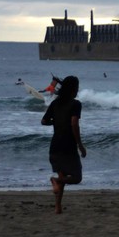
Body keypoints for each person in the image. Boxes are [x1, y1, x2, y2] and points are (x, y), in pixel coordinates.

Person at [41, 76, 87, 214]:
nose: (78, 90)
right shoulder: (75, 104)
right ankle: (54, 180)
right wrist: (80, 145)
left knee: (62, 177)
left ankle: (57, 208)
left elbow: (43, 121)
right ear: (73, 89)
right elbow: (74, 123)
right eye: (77, 87)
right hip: (68, 146)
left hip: (55, 145)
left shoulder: (55, 103)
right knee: (77, 177)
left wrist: (56, 123)